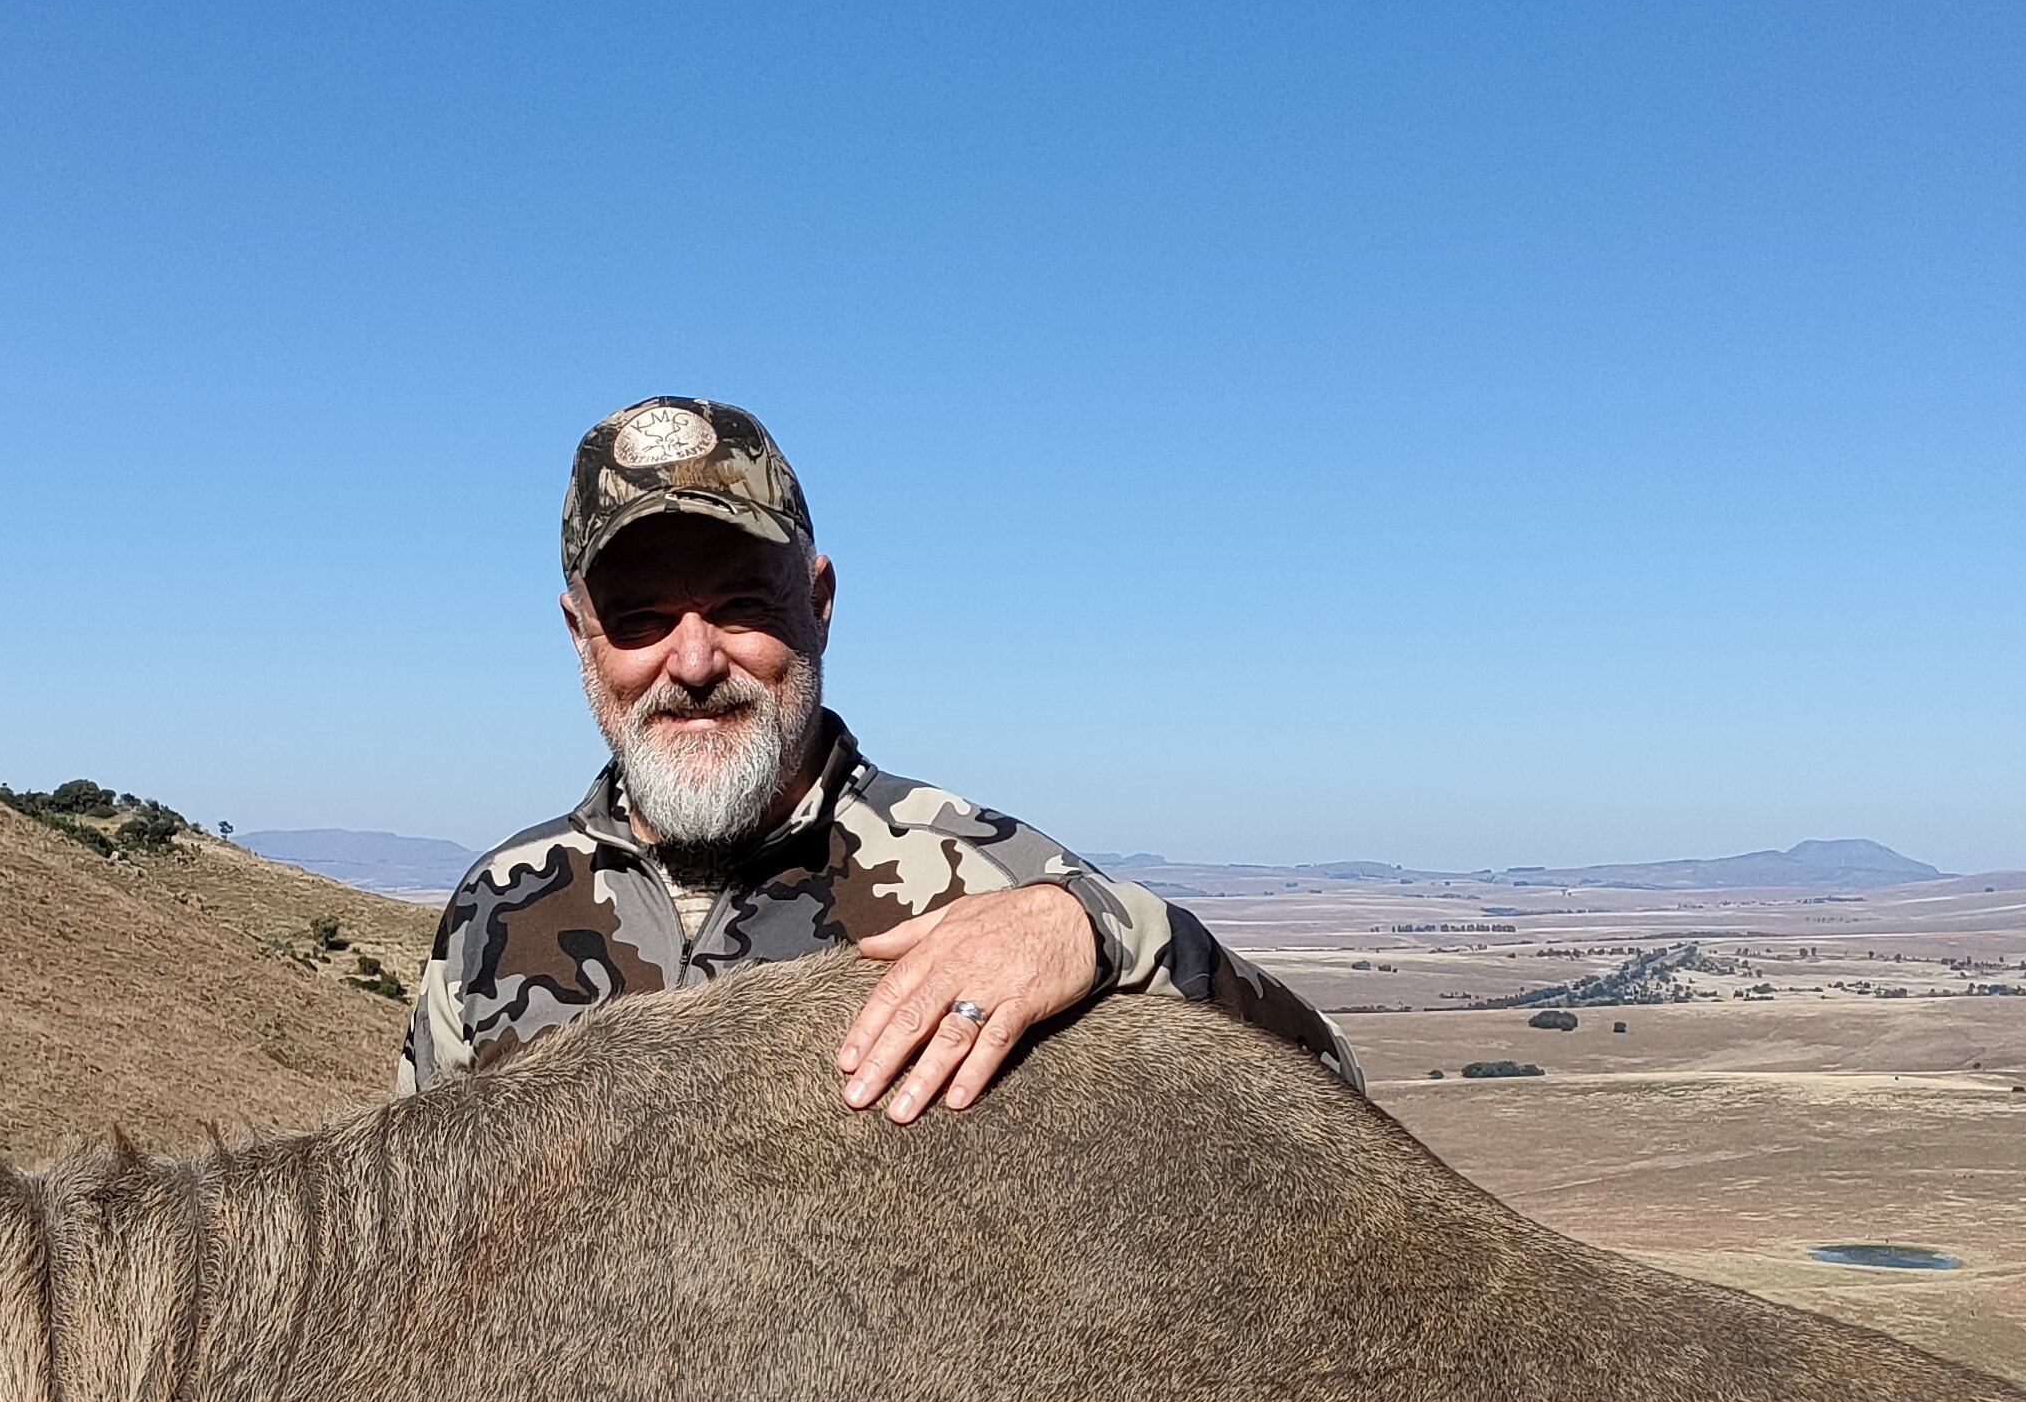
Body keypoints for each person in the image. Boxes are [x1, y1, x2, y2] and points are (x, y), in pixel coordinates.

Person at [396, 396, 1354, 1115]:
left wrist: (1104, 932)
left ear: (818, 604)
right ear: (580, 637)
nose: (692, 662)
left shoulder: (994, 881)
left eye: (740, 606)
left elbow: (1326, 1084)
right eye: (641, 621)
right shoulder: (497, 907)